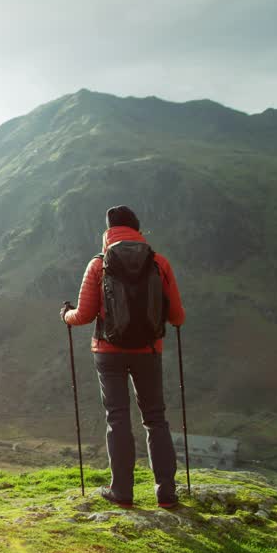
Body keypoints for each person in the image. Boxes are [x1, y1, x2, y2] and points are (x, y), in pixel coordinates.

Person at [60, 205, 186, 508]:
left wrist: (66, 315)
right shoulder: (159, 263)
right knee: (155, 419)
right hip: (149, 352)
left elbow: (85, 315)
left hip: (108, 352)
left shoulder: (98, 265)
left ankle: (122, 492)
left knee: (117, 418)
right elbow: (177, 316)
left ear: (108, 231)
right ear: (137, 229)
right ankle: (166, 493)